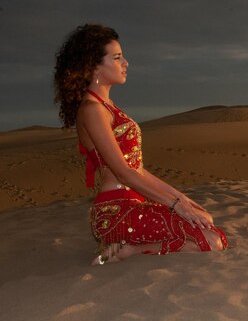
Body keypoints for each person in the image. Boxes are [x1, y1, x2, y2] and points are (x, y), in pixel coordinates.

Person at [54, 24, 227, 265]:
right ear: (93, 65)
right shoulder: (92, 110)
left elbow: (137, 169)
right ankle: (128, 251)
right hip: (115, 212)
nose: (126, 62)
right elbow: (123, 173)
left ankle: (129, 247)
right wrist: (176, 205)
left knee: (205, 218)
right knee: (210, 240)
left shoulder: (107, 106)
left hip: (136, 203)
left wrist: (182, 199)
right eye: (117, 57)